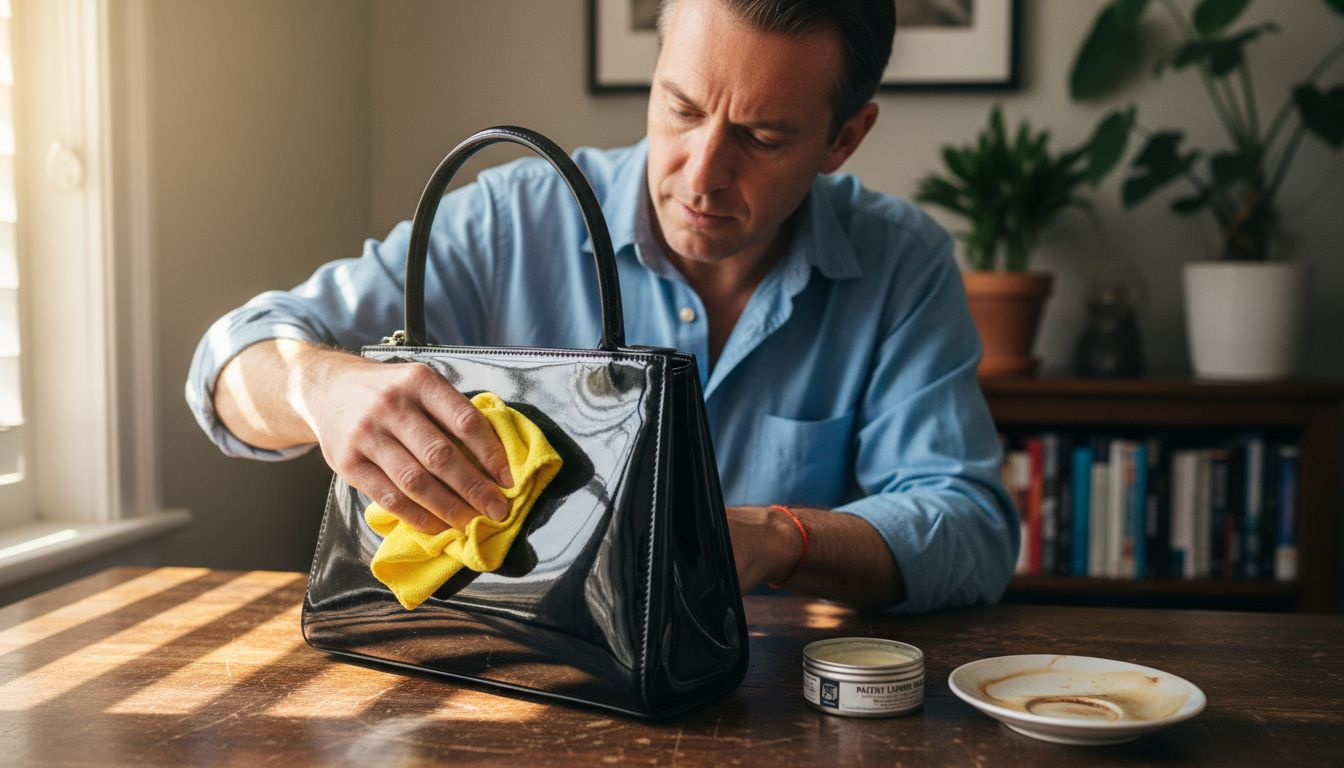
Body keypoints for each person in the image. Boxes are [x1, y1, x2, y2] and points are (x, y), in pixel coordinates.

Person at [186, 0, 1017, 613]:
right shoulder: (510, 220)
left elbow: (969, 526)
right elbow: (229, 361)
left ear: (845, 138)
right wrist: (318, 388)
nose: (702, 175)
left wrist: (777, 539)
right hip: (511, 688)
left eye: (762, 137)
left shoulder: (901, 262)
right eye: (682, 109)